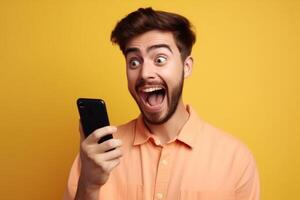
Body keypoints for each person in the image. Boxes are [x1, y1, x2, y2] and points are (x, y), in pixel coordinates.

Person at [64, 7, 260, 200]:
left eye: (159, 59)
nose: (144, 73)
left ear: (186, 67)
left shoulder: (235, 159)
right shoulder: (97, 155)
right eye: (134, 62)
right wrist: (88, 185)